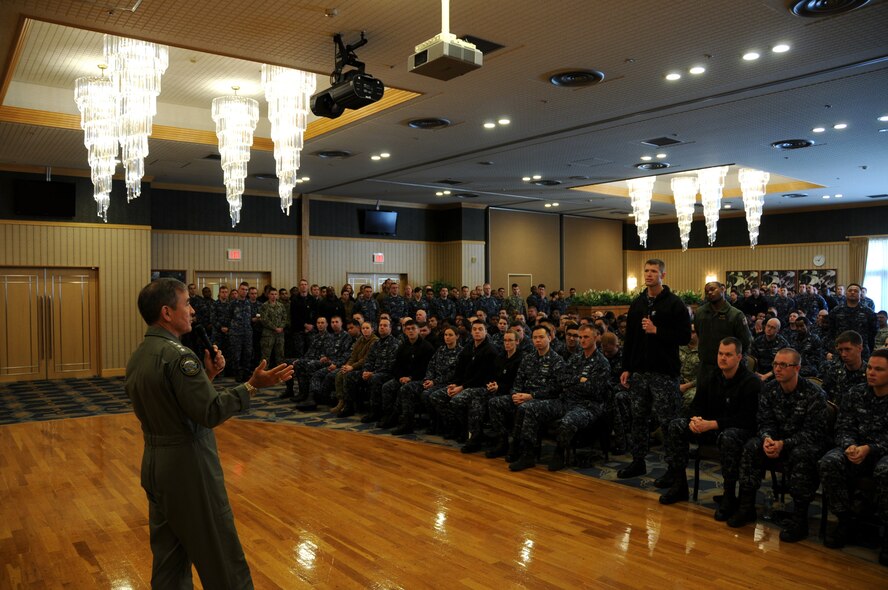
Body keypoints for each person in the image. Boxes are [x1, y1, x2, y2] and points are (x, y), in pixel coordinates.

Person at [126, 278, 292, 590]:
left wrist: (208, 376)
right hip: (190, 467)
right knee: (222, 558)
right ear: (166, 312)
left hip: (155, 464)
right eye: (186, 303)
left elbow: (174, 403)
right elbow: (210, 411)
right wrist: (252, 386)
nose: (192, 310)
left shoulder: (140, 355)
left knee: (169, 561)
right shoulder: (179, 356)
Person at [728, 348, 829, 543]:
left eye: (784, 365)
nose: (777, 369)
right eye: (775, 364)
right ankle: (746, 507)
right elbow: (764, 421)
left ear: (797, 368)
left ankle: (800, 519)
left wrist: (784, 444)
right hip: (776, 440)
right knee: (751, 447)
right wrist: (767, 439)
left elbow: (814, 432)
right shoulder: (770, 388)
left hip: (803, 443)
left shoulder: (814, 394)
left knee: (802, 455)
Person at [658, 337, 761, 519]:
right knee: (676, 426)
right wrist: (694, 419)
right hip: (708, 427)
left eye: (728, 355)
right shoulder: (711, 377)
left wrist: (713, 424)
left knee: (728, 437)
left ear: (739, 357)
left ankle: (729, 496)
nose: (723, 358)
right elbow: (696, 405)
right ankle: (679, 484)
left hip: (736, 431)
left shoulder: (751, 382)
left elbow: (747, 419)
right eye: (720, 354)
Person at [617, 258, 692, 480]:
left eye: (653, 271)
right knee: (638, 419)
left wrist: (657, 330)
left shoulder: (674, 304)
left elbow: (685, 337)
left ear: (663, 275)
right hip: (640, 372)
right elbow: (629, 338)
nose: (649, 275)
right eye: (646, 271)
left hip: (664, 373)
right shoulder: (638, 303)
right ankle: (638, 461)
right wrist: (627, 367)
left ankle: (673, 469)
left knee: (668, 422)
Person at [509, 324, 611, 472]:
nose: (582, 340)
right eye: (580, 337)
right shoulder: (575, 358)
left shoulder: (602, 363)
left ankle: (559, 453)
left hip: (587, 405)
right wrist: (580, 379)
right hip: (565, 401)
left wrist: (574, 382)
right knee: (529, 407)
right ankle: (528, 454)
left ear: (596, 337)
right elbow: (561, 379)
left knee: (567, 421)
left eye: (586, 337)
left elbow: (594, 390)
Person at [818, 348, 888, 565]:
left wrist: (870, 448)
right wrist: (849, 446)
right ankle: (845, 521)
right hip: (856, 450)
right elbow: (843, 427)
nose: (871, 372)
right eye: (869, 367)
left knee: (885, 471)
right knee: (829, 461)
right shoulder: (855, 392)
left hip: (882, 453)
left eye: (879, 369)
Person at [487, 325, 565, 463]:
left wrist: (532, 396)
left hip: (550, 400)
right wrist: (516, 395)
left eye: (541, 337)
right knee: (495, 402)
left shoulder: (557, 360)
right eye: (535, 337)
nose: (538, 340)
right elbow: (519, 380)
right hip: (525, 397)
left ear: (550, 338)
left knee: (527, 408)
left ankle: (526, 451)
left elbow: (556, 388)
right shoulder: (528, 358)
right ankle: (502, 441)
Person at [429, 320, 498, 445]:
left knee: (457, 400)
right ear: (471, 331)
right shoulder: (469, 347)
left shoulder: (490, 350)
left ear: (486, 332)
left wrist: (461, 387)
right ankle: (457, 426)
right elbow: (459, 370)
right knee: (436, 397)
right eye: (475, 329)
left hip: (481, 387)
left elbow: (481, 377)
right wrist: (455, 384)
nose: (477, 331)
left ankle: (468, 432)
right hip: (464, 385)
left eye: (480, 329)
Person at [694, 281, 752, 401]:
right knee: (702, 405)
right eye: (706, 291)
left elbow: (745, 342)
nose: (709, 293)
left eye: (712, 289)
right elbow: (700, 335)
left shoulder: (735, 315)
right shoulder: (700, 313)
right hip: (705, 368)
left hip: (727, 370)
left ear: (723, 289)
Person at [820, 330, 867, 404]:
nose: (843, 354)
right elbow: (824, 398)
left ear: (860, 348)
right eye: (840, 350)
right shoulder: (833, 371)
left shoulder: (870, 374)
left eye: (847, 349)